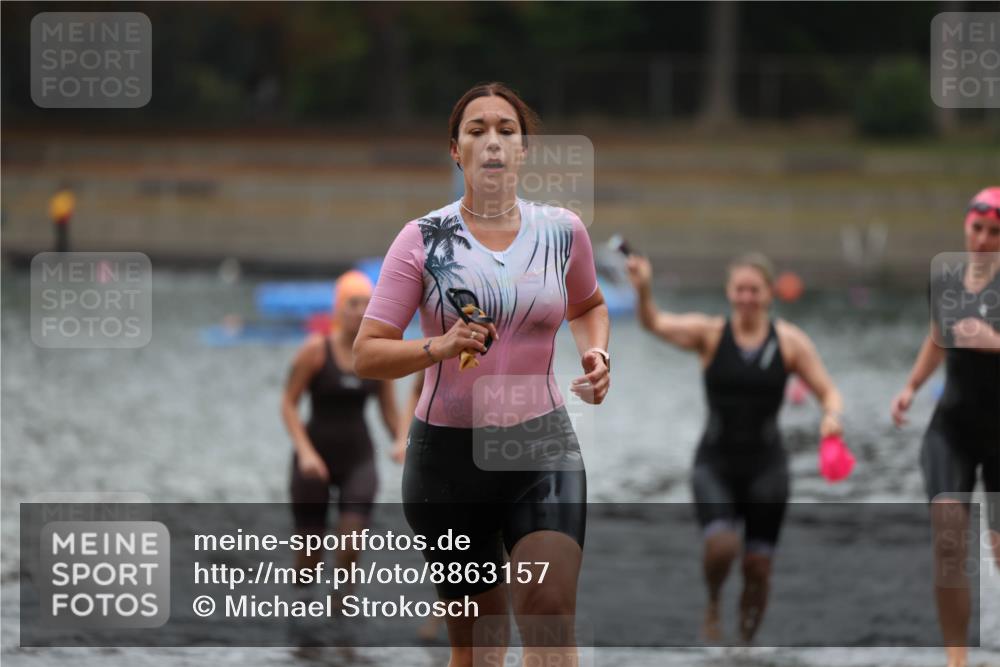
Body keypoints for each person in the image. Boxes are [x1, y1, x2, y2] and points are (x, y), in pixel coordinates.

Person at [353, 82, 610, 667]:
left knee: (548, 609)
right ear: (456, 151)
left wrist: (598, 355)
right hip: (447, 462)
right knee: (480, 650)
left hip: (540, 445)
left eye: (506, 130)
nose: (492, 141)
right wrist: (437, 346)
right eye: (477, 130)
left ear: (523, 151)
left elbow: (588, 307)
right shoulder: (420, 240)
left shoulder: (563, 231)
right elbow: (366, 354)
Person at [625, 251, 843, 644]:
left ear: (769, 294)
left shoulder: (790, 342)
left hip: (767, 468)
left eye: (754, 290)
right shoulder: (709, 334)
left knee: (759, 567)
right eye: (740, 289)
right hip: (716, 464)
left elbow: (829, 392)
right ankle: (712, 602)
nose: (746, 297)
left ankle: (745, 645)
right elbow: (653, 322)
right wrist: (643, 289)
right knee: (723, 545)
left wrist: (831, 417)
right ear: (729, 292)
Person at [891, 186, 1000, 667]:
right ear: (965, 227)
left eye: (995, 232)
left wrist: (993, 341)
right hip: (952, 427)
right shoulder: (947, 281)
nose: (982, 240)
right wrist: (912, 387)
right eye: (977, 229)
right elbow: (937, 338)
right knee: (948, 530)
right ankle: (957, 660)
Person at [280, 270, 402, 584]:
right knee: (308, 561)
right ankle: (302, 623)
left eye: (367, 303)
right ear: (338, 308)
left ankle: (341, 615)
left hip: (358, 459)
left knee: (350, 548)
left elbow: (389, 410)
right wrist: (305, 453)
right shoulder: (315, 350)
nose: (361, 311)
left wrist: (404, 442)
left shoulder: (378, 354)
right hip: (314, 460)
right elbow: (288, 404)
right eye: (352, 303)